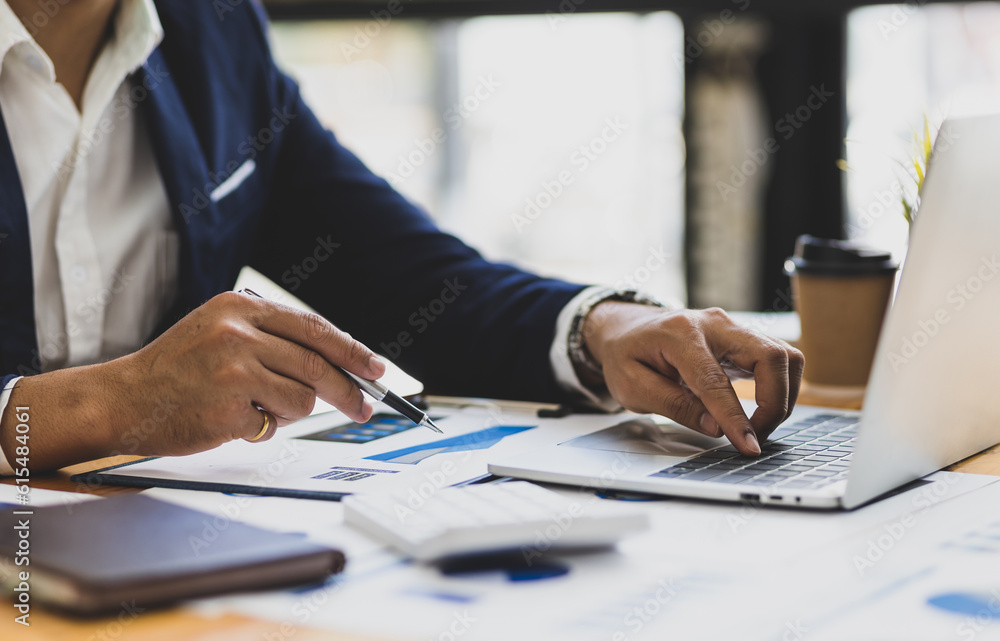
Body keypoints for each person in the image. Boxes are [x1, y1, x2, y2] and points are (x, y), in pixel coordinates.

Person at [0, 0, 803, 474]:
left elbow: (406, 281)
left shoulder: (211, 29)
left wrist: (603, 328)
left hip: (127, 567)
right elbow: (115, 406)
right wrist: (106, 405)